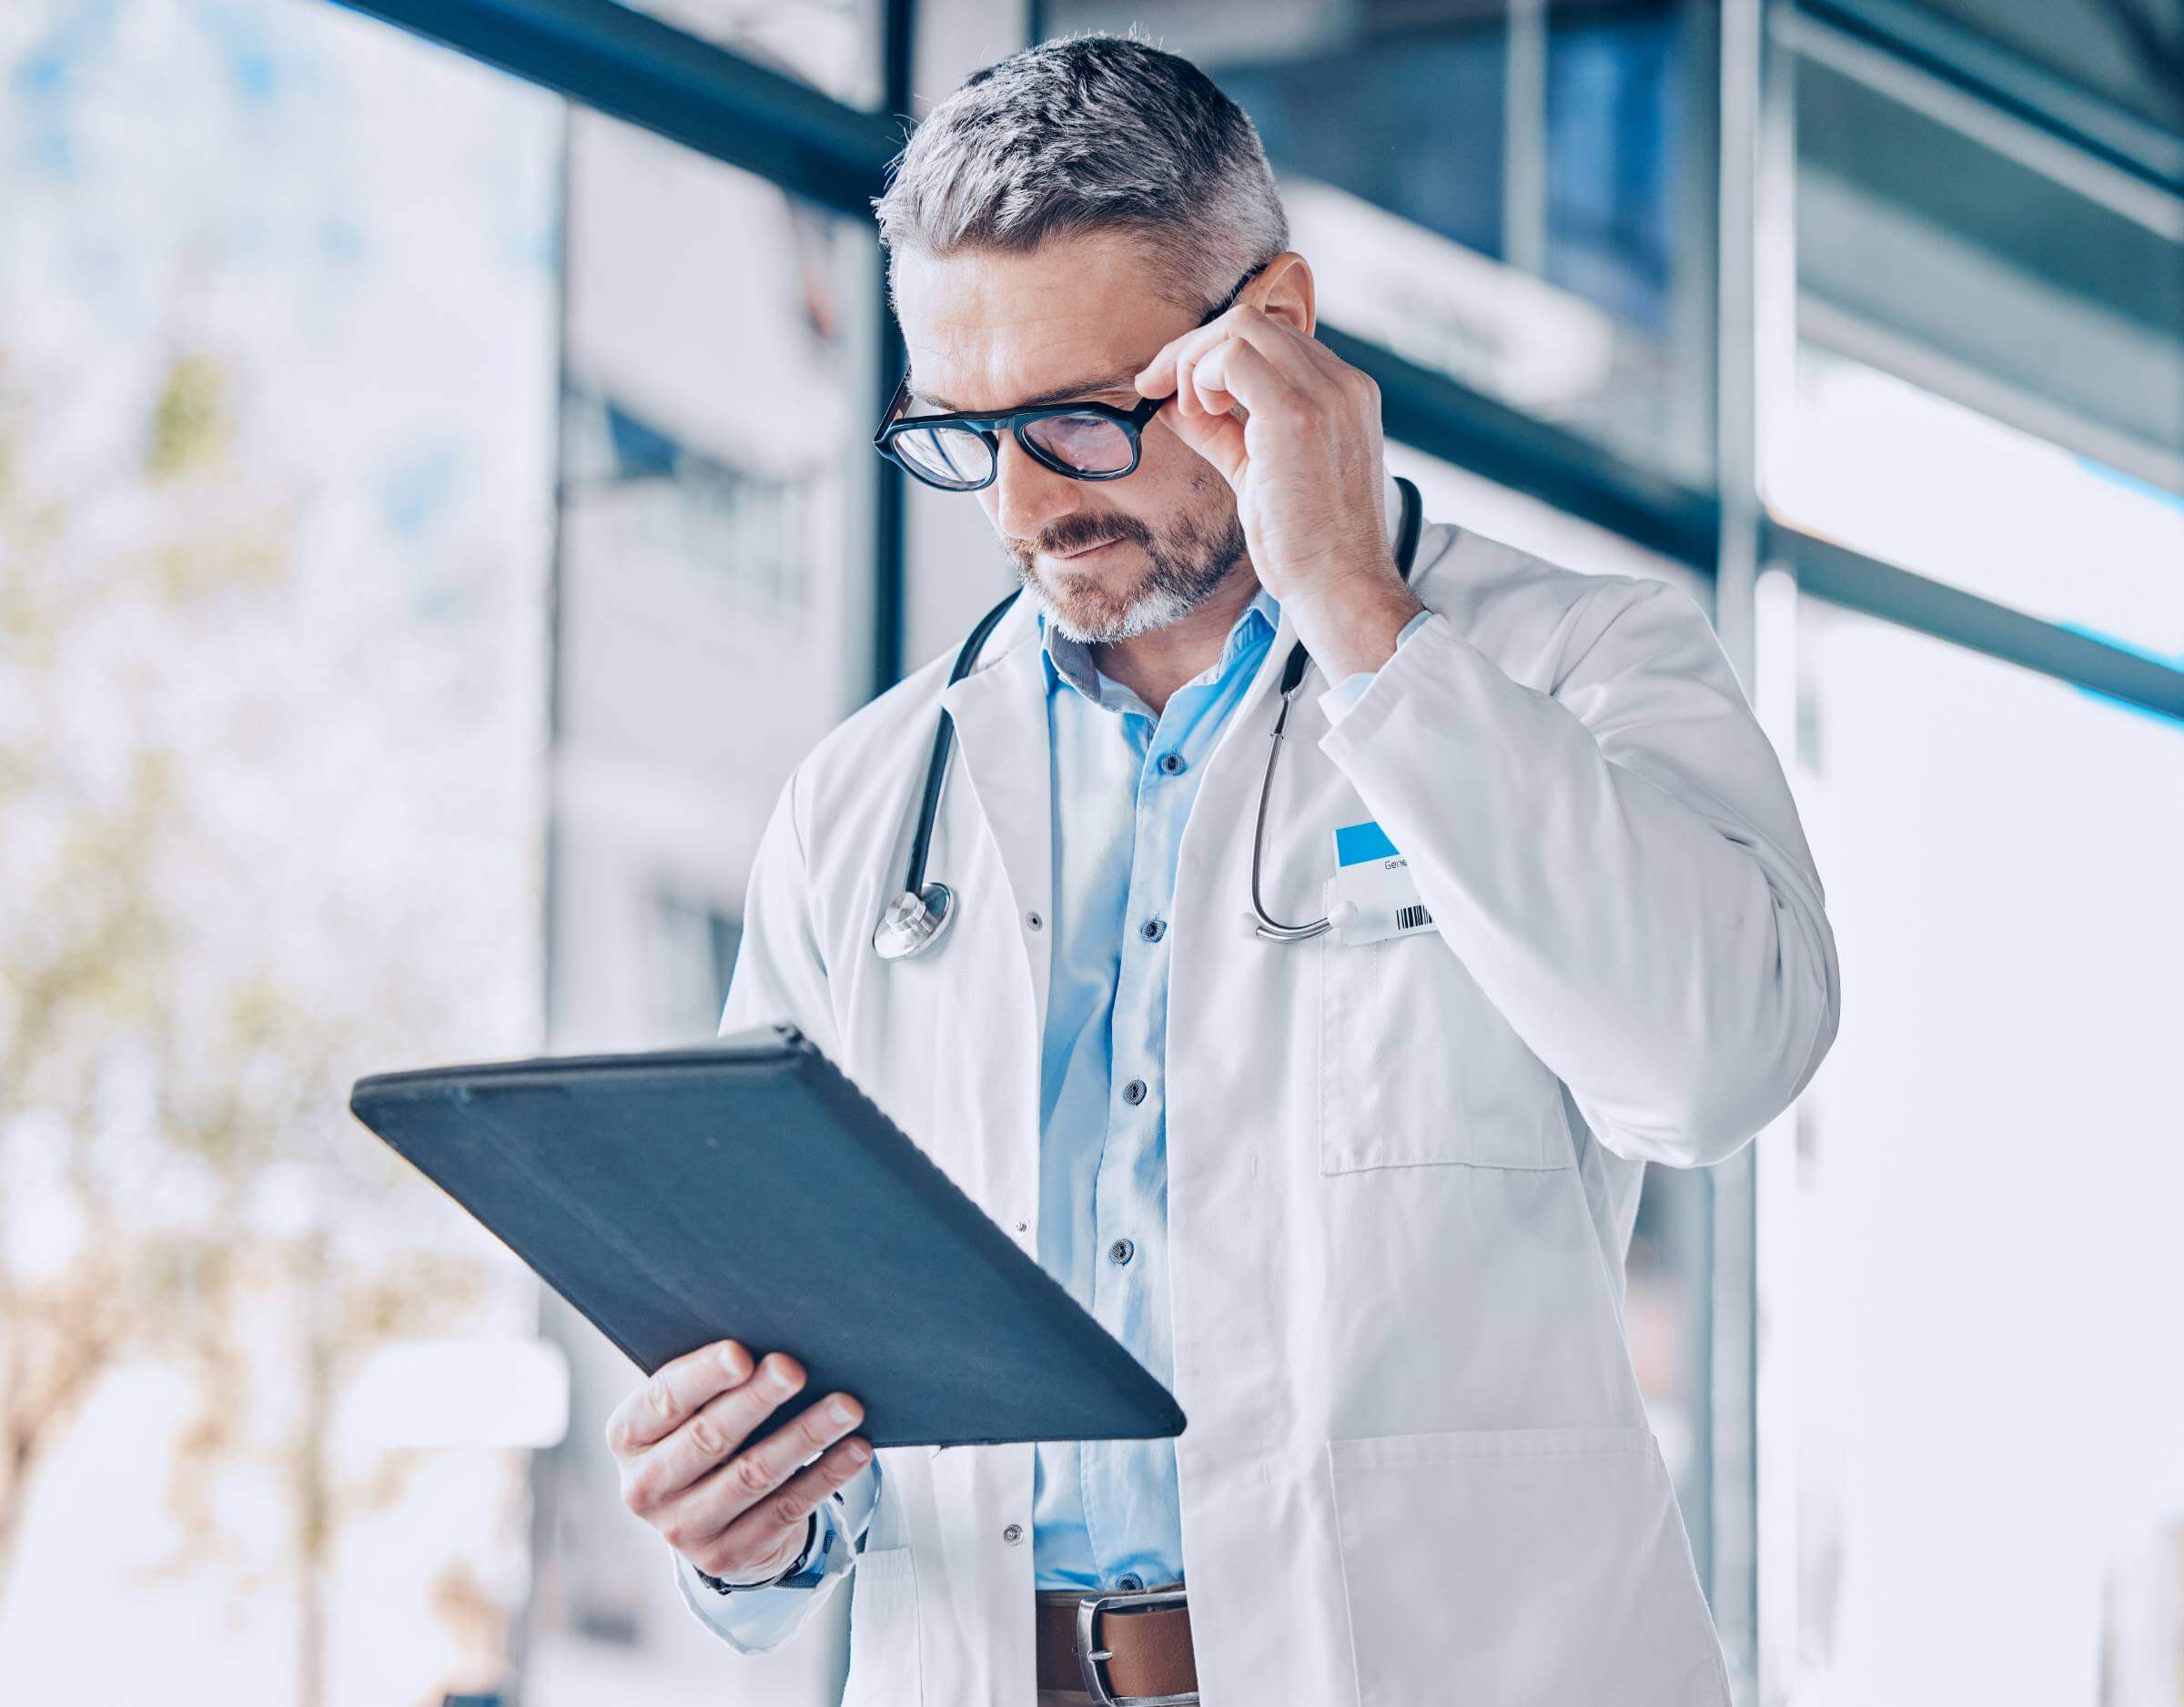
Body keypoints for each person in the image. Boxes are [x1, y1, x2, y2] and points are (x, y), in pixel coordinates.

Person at [601, 32, 1838, 1707]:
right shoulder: (868, 801)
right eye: (966, 436)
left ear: (1275, 331)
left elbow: (1715, 1067)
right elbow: (810, 1347)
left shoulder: (1575, 663)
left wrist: (1368, 628)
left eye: (1080, 420)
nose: (1029, 505)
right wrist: (753, 1516)